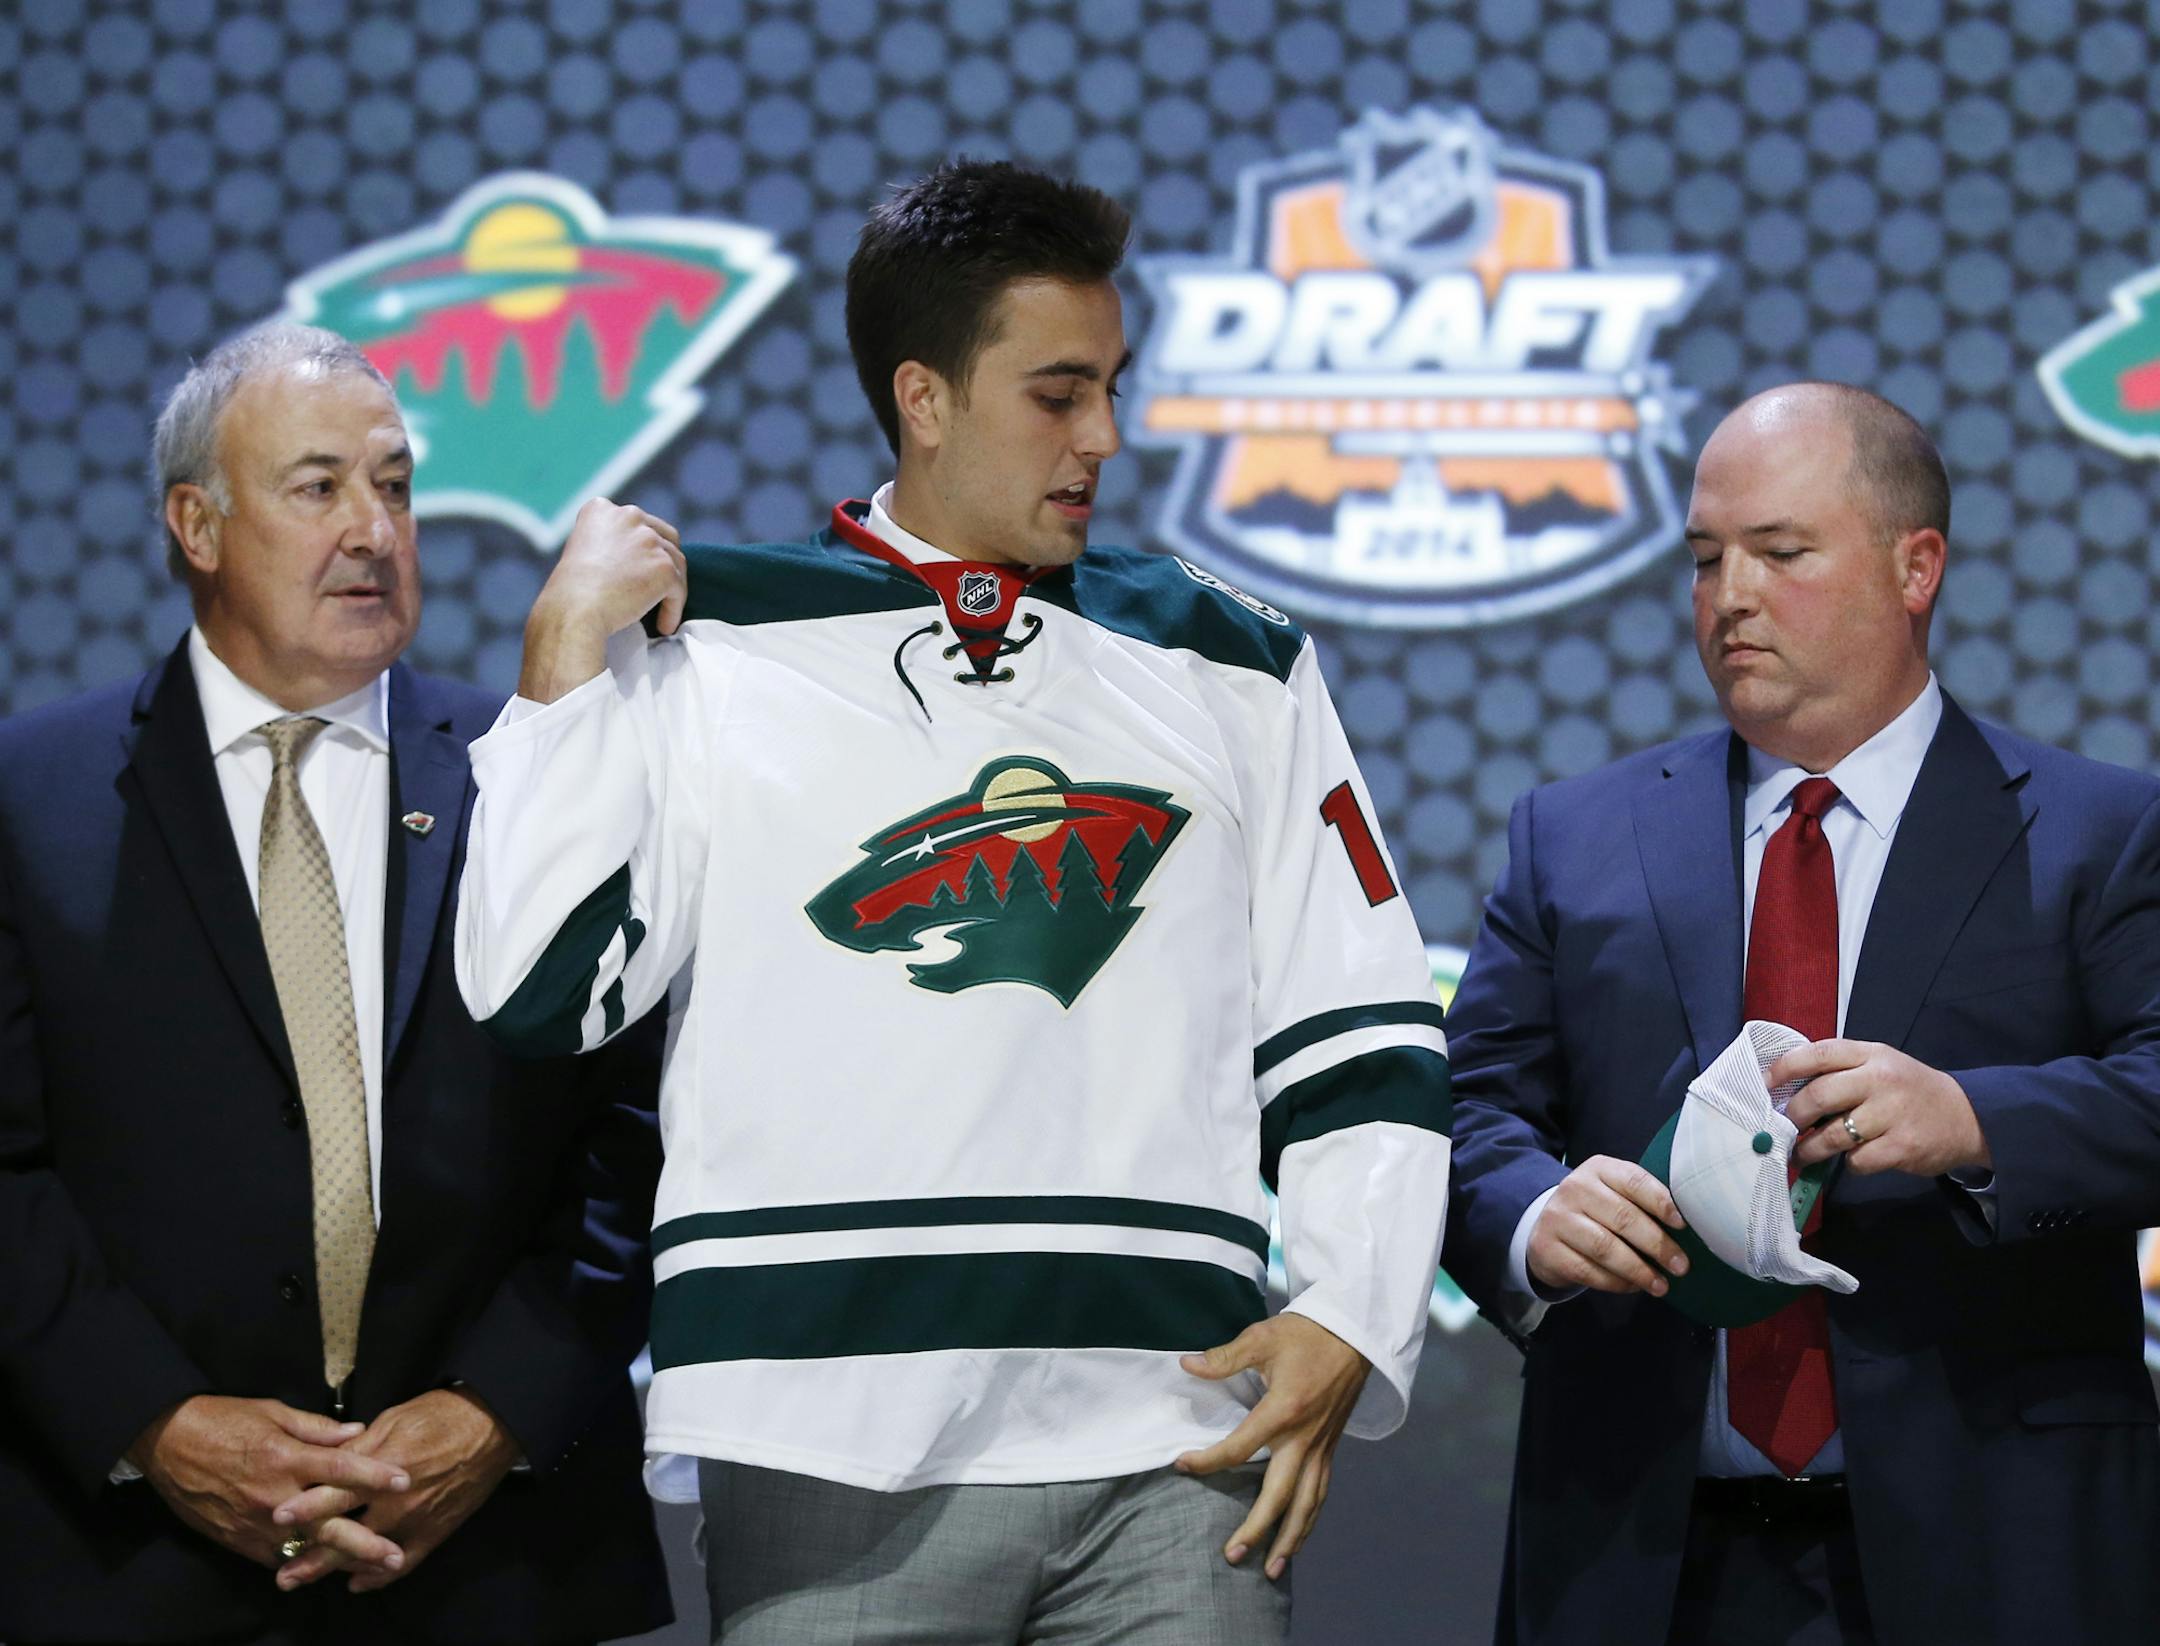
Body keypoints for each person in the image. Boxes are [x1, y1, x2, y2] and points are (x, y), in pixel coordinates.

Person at [453, 160, 1453, 1644]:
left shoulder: (1228, 654)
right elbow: (542, 990)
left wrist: (1353, 1305)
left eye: (1112, 388)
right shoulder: (711, 642)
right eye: (1059, 394)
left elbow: (1358, 1019)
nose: (1104, 437)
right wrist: (557, 661)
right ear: (923, 398)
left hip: (1175, 1441)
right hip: (828, 1433)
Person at [1443, 381, 2160, 1645]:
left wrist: (1976, 1118)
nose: (1730, 596)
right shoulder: (1575, 834)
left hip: (2000, 1548)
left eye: (1780, 553)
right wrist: (1530, 1213)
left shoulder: (2098, 830)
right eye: (1707, 558)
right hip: (1642, 1558)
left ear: (1915, 565)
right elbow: (1462, 1108)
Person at [0, 323, 672, 1645]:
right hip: (133, 1566)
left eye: (396, 485)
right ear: (196, 523)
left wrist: (496, 1413)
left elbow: (639, 1129)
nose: (373, 529)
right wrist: (159, 1423)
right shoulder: (31, 800)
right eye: (319, 488)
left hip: (499, 1564)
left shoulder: (537, 770)